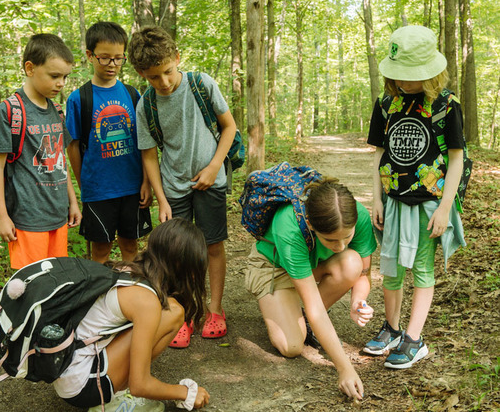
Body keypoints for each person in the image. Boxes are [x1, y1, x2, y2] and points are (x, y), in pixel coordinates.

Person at [127, 26, 237, 347]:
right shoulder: (145, 106)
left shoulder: (202, 84)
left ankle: (214, 309)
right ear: (141, 74)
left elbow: (228, 127)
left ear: (177, 58)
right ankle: (184, 313)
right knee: (175, 253)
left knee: (212, 245)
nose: (163, 82)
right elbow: (149, 156)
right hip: (173, 187)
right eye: (153, 78)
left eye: (168, 72)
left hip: (211, 181)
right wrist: (161, 198)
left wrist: (214, 166)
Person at [365, 25, 466, 369]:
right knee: (390, 268)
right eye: (401, 76)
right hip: (393, 200)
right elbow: (380, 153)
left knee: (421, 269)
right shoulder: (386, 104)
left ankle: (414, 338)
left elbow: (456, 159)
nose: (405, 82)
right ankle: (391, 329)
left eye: (412, 76)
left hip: (429, 203)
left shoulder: (446, 104)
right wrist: (377, 198)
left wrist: (445, 208)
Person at [53, 218, 210, 411]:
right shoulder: (146, 301)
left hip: (68, 372)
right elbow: (140, 385)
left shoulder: (126, 271)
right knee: (174, 311)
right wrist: (185, 392)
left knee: (167, 308)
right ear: (181, 264)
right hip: (84, 386)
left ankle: (112, 390)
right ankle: (114, 401)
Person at [245, 178, 377, 400]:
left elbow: (363, 274)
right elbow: (314, 305)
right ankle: (286, 309)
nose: (341, 246)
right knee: (292, 346)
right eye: (331, 240)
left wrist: (358, 300)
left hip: (310, 266)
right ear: (312, 225)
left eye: (347, 236)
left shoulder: (358, 215)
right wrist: (344, 368)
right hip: (275, 267)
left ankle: (298, 315)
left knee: (352, 262)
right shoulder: (289, 225)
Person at [0, 33, 82, 270]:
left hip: (58, 216)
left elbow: (60, 160)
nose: (61, 83)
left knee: (57, 280)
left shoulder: (56, 111)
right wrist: (1, 216)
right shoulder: (10, 111)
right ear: (30, 68)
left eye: (64, 77)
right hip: (28, 218)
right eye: (54, 76)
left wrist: (72, 202)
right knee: (30, 283)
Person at [66, 21, 152, 264]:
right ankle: (100, 298)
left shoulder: (133, 94)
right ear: (90, 56)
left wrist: (146, 181)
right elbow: (72, 146)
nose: (112, 64)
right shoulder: (79, 98)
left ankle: (130, 294)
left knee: (130, 245)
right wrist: (85, 185)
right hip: (98, 190)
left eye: (118, 58)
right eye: (105, 58)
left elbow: (143, 142)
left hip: (132, 187)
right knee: (101, 251)